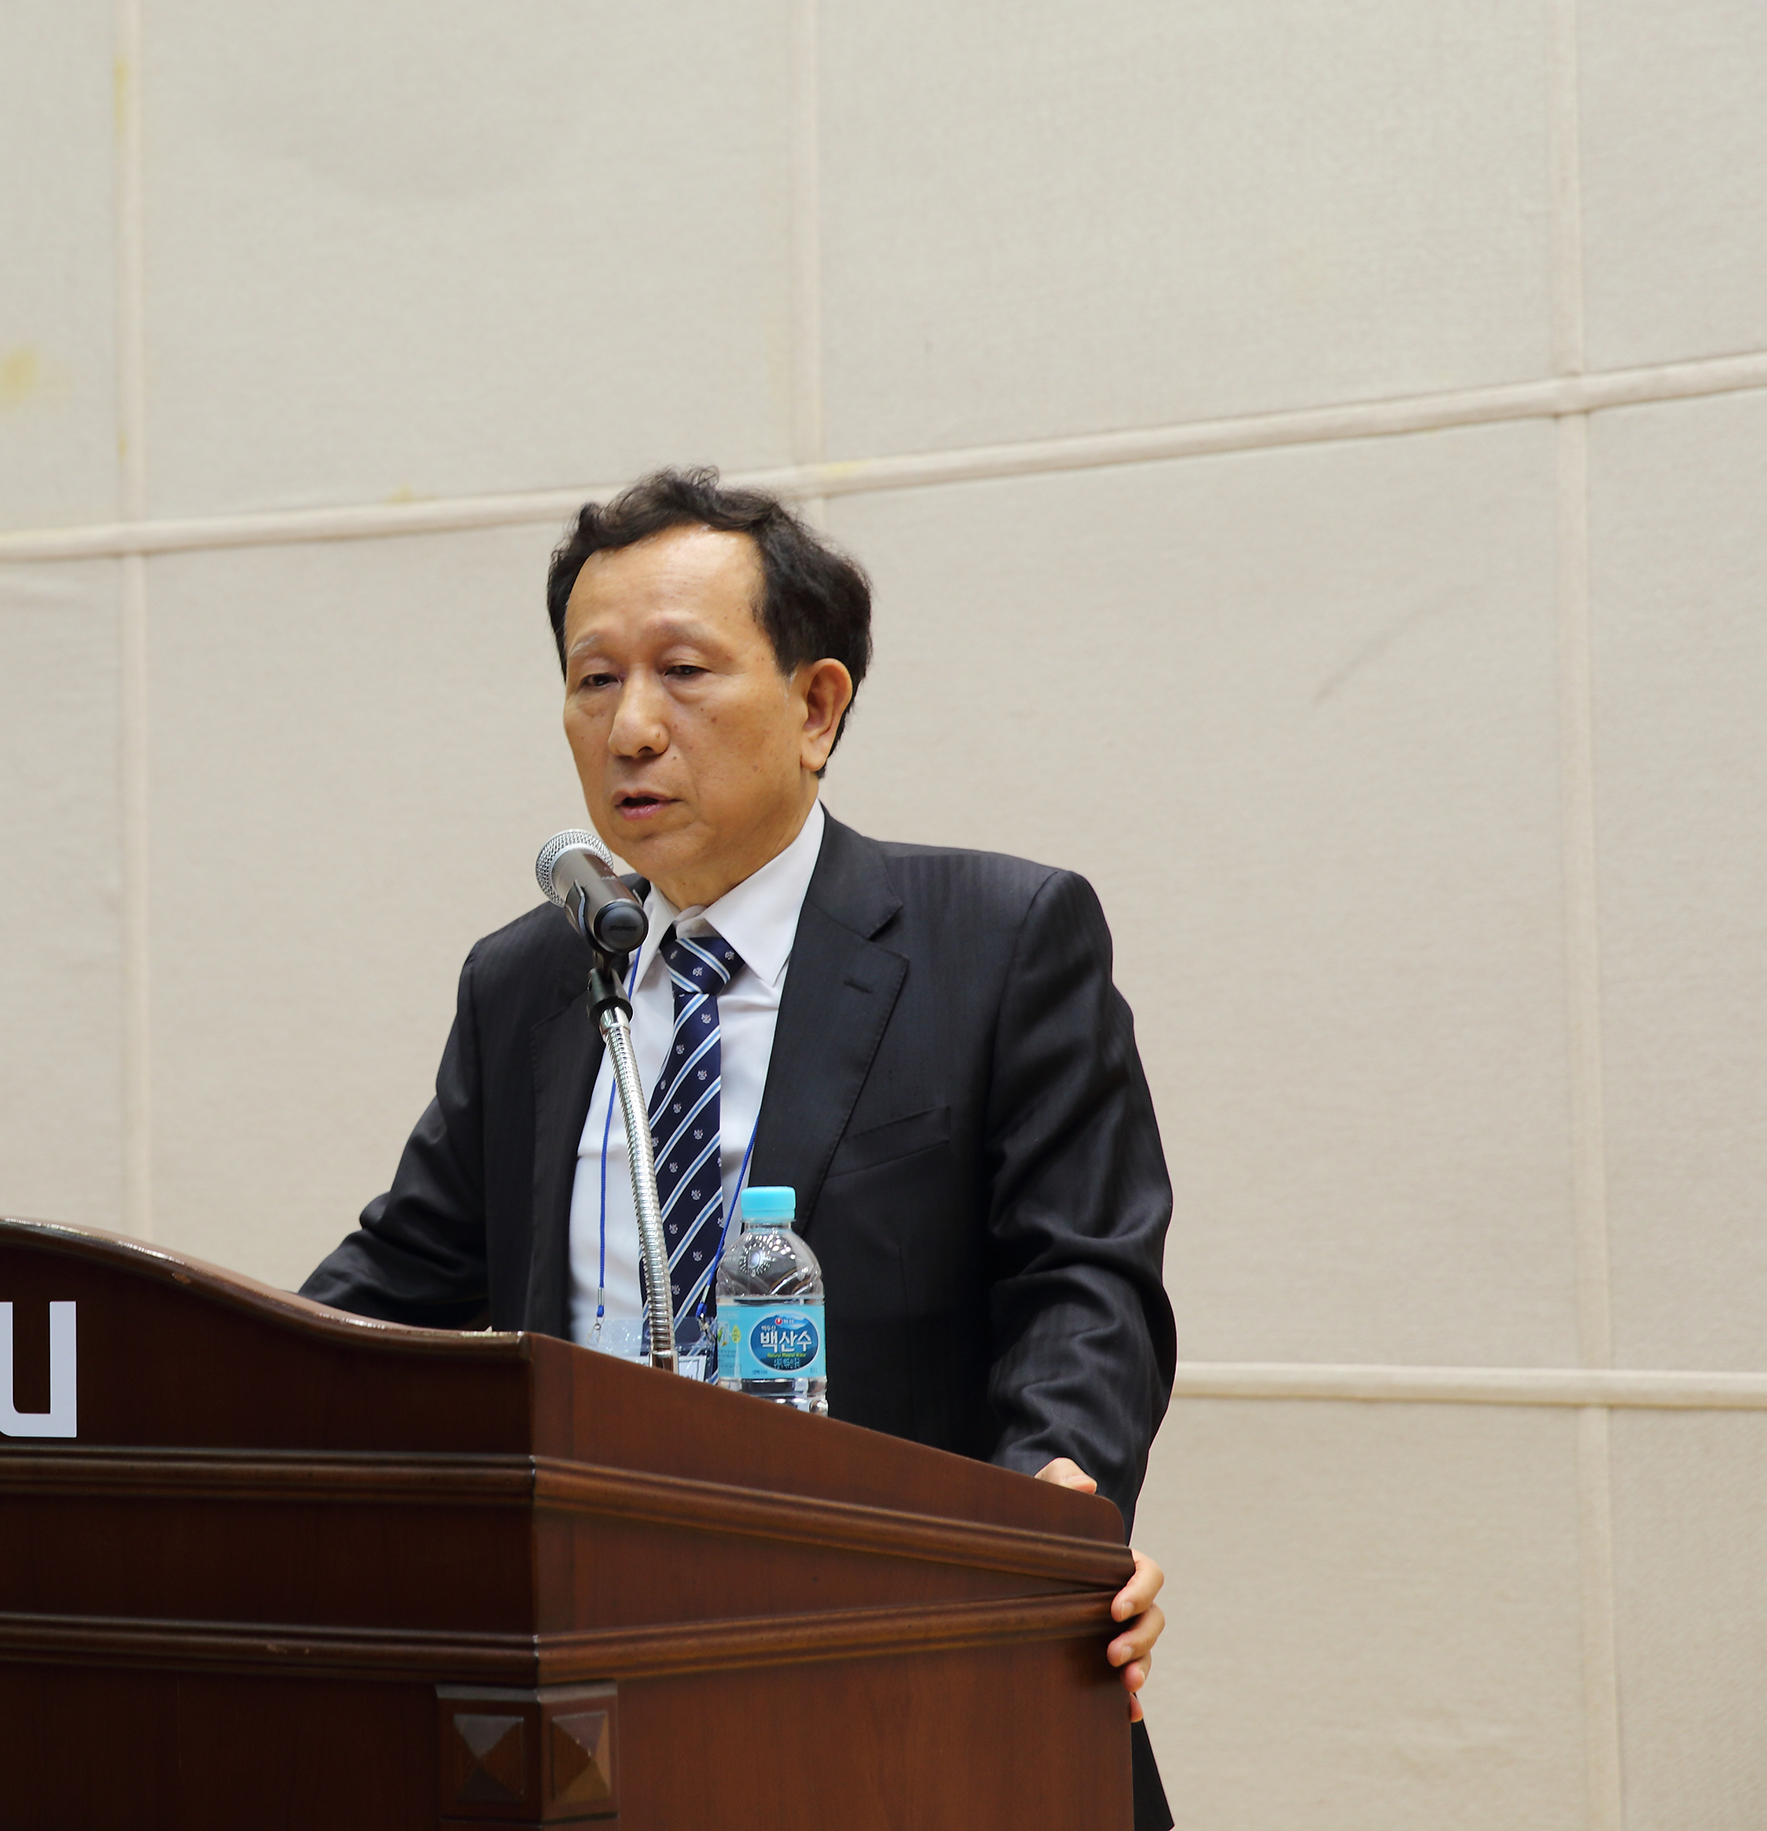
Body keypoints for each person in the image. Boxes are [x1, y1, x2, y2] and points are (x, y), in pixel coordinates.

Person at [301, 467, 1177, 1829]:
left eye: (684, 672)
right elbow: (397, 1285)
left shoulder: (995, 940)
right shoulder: (531, 982)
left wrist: (1047, 1509)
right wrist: (194, 1408)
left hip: (906, 1671)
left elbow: (1083, 1281)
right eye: (594, 681)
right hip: (593, 1694)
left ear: (817, 707)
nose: (631, 728)